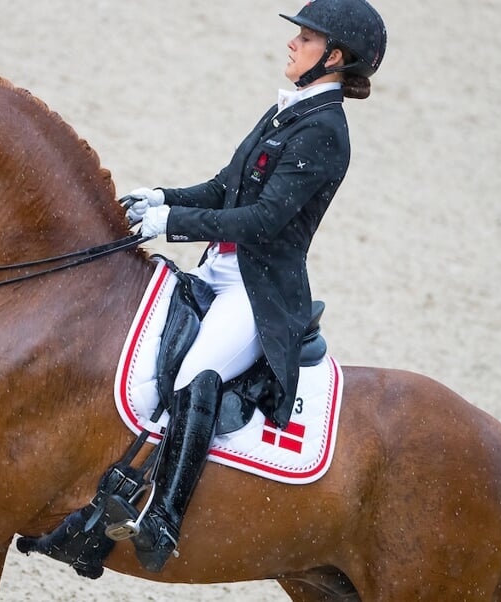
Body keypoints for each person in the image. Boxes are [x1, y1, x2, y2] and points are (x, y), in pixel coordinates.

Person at [111, 0, 387, 573]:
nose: (293, 43)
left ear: (333, 57)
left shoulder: (326, 132)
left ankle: (163, 519)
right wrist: (163, 198)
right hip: (218, 269)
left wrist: (173, 226)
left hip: (257, 294)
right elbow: (223, 188)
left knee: (195, 371)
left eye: (306, 38)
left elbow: (263, 221)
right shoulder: (289, 110)